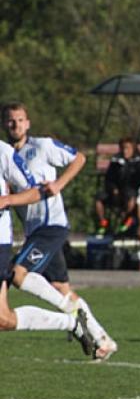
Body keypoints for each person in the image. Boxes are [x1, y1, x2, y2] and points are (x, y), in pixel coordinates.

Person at [2, 101, 117, 360]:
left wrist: (59, 184)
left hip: (51, 226)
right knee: (62, 287)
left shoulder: (42, 146)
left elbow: (79, 158)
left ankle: (72, 316)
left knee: (17, 275)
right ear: (4, 124)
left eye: (20, 120)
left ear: (28, 123)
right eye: (10, 120)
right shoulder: (7, 155)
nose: (15, 124)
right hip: (35, 232)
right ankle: (103, 340)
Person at [0, 140, 94, 352]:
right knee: (4, 320)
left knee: (19, 282)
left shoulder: (3, 152)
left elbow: (35, 191)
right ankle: (71, 322)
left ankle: (74, 318)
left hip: (1, 241)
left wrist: (6, 200)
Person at [95, 136, 140, 236]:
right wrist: (113, 188)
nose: (125, 151)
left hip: (131, 191)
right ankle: (103, 222)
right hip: (115, 191)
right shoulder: (116, 160)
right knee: (99, 198)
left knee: (131, 199)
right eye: (123, 148)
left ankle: (126, 219)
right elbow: (109, 178)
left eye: (127, 148)